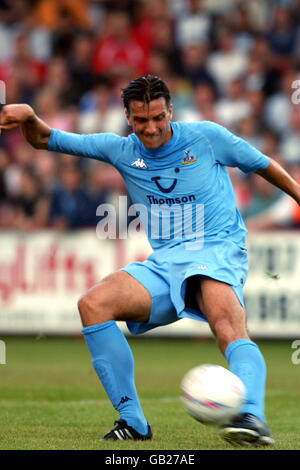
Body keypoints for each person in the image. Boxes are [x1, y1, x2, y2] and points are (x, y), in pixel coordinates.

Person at [1, 75, 300, 445]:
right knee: (92, 305)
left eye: (159, 117)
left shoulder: (207, 137)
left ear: (170, 110)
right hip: (165, 262)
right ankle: (133, 422)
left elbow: (262, 164)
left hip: (217, 248)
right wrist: (29, 116)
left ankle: (252, 417)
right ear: (128, 117)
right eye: (141, 120)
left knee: (227, 327)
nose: (152, 127)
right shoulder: (120, 150)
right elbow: (45, 139)